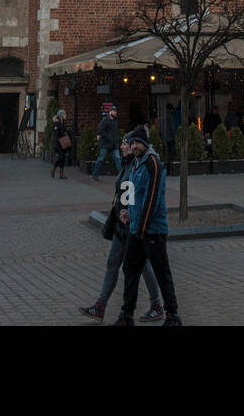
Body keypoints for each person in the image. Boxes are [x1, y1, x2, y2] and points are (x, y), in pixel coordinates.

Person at [79, 136, 163, 323]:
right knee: (112, 264)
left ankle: (157, 305)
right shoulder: (126, 164)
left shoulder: (137, 167)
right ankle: (100, 306)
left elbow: (139, 196)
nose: (124, 146)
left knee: (143, 266)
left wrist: (133, 218)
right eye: (125, 143)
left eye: (127, 143)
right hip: (120, 225)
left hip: (131, 227)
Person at [113, 126, 181, 326]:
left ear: (145, 144)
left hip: (153, 231)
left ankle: (172, 315)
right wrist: (127, 213)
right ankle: (127, 314)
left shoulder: (153, 164)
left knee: (162, 272)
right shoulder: (135, 164)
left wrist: (142, 226)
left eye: (137, 143)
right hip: (136, 229)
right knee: (130, 269)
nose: (134, 146)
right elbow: (134, 194)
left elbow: (152, 198)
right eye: (131, 143)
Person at [91, 107, 120, 179]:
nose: (115, 112)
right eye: (114, 111)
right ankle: (95, 175)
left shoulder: (116, 121)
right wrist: (109, 138)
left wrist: (116, 142)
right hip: (105, 145)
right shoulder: (105, 120)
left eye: (116, 111)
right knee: (100, 160)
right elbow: (100, 131)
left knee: (118, 159)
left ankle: (122, 176)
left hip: (114, 145)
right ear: (110, 112)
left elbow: (116, 133)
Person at [51, 108, 71, 179]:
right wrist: (55, 144)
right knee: (61, 157)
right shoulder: (57, 123)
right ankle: (53, 168)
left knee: (63, 158)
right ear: (61, 115)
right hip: (59, 143)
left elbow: (64, 132)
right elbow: (56, 134)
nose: (66, 115)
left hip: (64, 142)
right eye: (65, 114)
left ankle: (61, 173)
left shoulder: (63, 123)